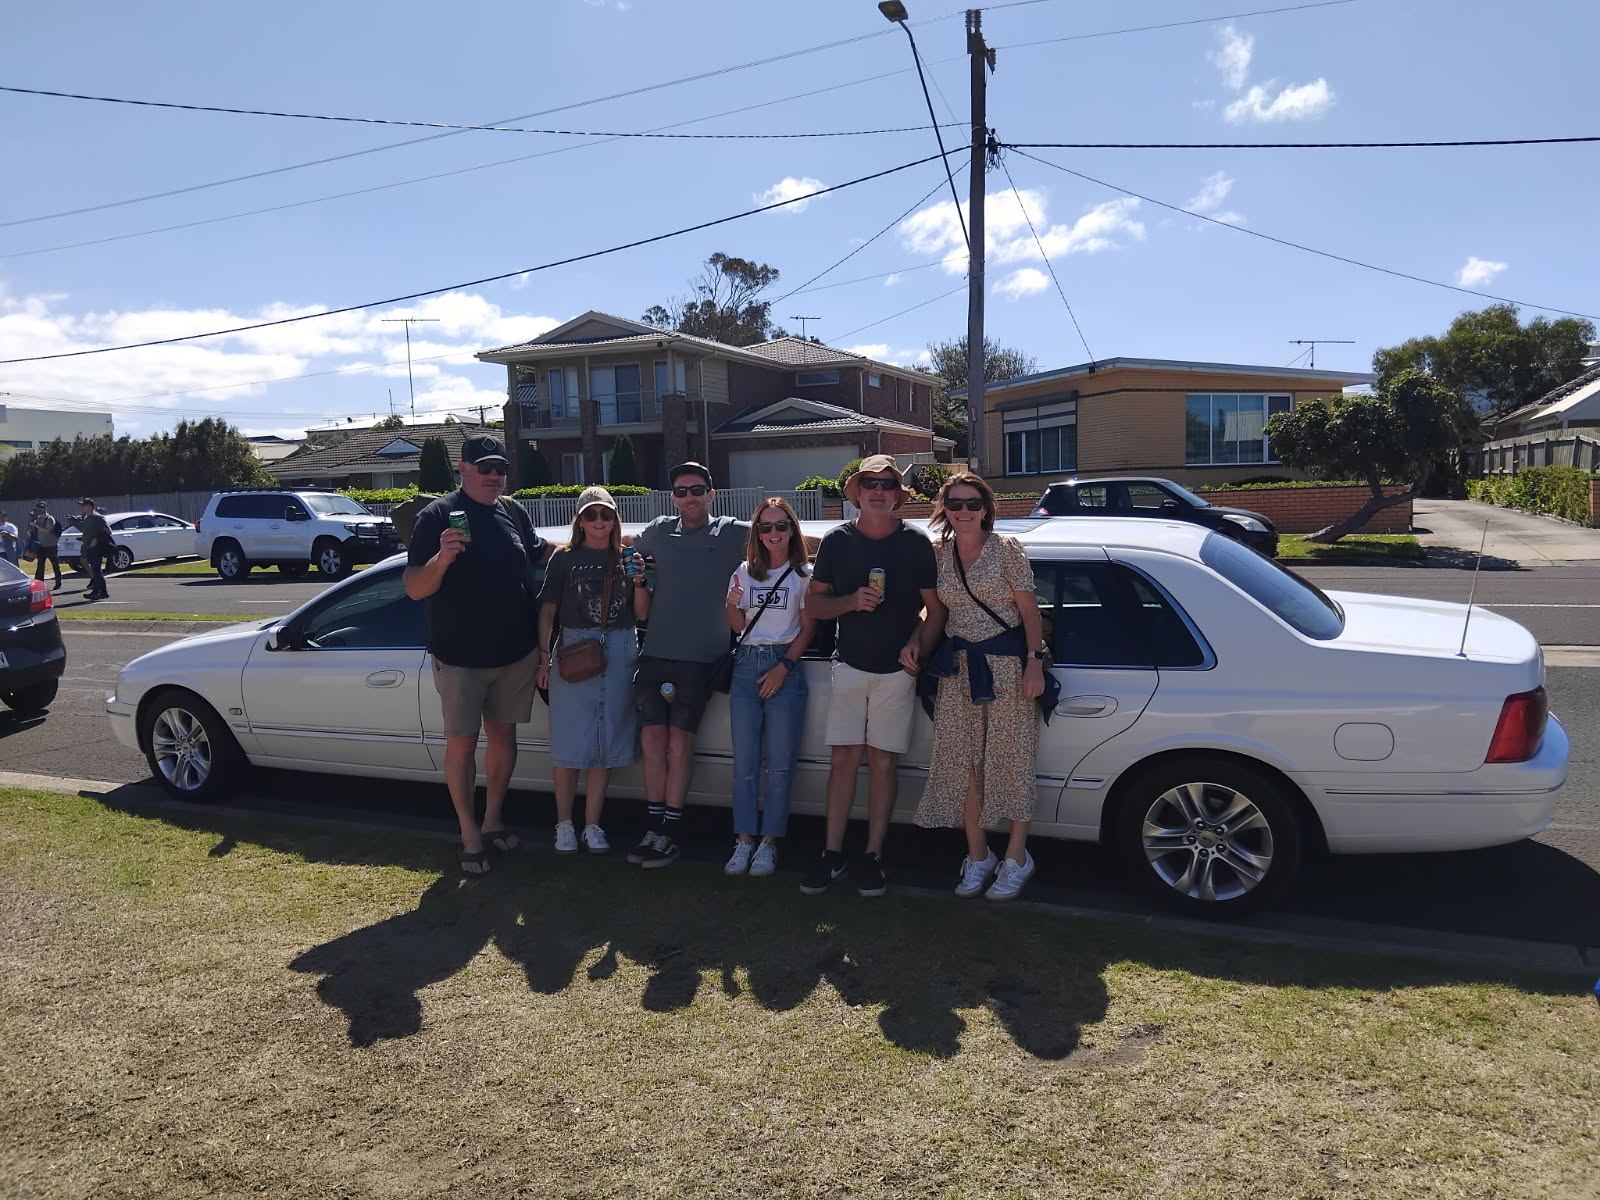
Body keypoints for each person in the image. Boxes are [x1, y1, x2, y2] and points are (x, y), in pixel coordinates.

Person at [403, 434, 550, 877]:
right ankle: (469, 834)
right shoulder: (436, 516)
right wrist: (443, 559)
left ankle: (492, 821)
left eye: (500, 469)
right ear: (462, 469)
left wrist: (607, 542)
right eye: (484, 467)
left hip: (514, 654)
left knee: (504, 738)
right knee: (462, 746)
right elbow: (414, 588)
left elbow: (543, 553)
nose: (493, 476)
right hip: (461, 658)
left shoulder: (513, 512)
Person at [801, 455, 940, 898]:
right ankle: (831, 853)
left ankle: (874, 855)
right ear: (857, 493)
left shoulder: (917, 544)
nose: (879, 491)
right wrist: (849, 603)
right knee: (843, 762)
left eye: (887, 484)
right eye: (870, 483)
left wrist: (919, 643)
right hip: (849, 665)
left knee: (883, 763)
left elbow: (935, 610)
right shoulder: (837, 542)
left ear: (898, 495)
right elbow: (813, 606)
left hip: (897, 672)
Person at [913, 472, 1047, 901]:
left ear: (986, 508)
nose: (964, 511)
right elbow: (933, 613)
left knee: (1011, 762)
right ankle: (978, 856)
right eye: (955, 504)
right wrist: (914, 643)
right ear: (945, 510)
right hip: (958, 672)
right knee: (963, 764)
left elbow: (1030, 614)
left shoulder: (1007, 550)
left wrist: (1034, 664)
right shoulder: (938, 554)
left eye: (972, 504)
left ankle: (1016, 858)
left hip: (1008, 669)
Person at [625, 462, 750, 870]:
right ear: (672, 497)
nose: (689, 497)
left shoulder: (732, 532)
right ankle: (653, 823)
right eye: (681, 491)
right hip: (655, 652)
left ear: (712, 494)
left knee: (679, 744)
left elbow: (787, 542)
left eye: (697, 490)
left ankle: (670, 832)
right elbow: (623, 548)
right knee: (651, 742)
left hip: (703, 659)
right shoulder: (658, 531)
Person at [535, 486, 649, 857]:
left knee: (607, 740)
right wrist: (543, 657)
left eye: (606, 514)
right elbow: (548, 611)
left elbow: (643, 613)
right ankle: (564, 824)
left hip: (619, 646)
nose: (599, 522)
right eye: (591, 515)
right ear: (580, 521)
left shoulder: (628, 557)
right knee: (570, 742)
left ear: (614, 519)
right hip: (575, 646)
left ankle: (593, 825)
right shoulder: (564, 558)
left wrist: (639, 580)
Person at [722, 496, 815, 878]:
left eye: (781, 526)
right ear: (756, 534)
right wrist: (731, 603)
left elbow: (809, 628)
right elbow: (737, 626)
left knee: (778, 764)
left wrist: (784, 667)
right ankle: (743, 840)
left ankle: (769, 843)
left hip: (785, 665)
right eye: (766, 527)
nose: (774, 534)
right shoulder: (744, 571)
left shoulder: (804, 575)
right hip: (746, 664)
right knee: (744, 761)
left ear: (791, 530)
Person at [77, 499, 112, 601]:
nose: (82, 508)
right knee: (97, 571)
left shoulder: (98, 518)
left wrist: (96, 538)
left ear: (89, 507)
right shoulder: (87, 517)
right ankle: (103, 592)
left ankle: (96, 592)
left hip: (96, 548)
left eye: (83, 506)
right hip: (89, 548)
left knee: (96, 571)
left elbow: (108, 531)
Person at [29, 502, 63, 590]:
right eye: (38, 508)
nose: (40, 509)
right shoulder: (37, 519)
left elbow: (48, 530)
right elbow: (34, 532)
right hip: (41, 546)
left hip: (51, 545)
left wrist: (36, 525)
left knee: (55, 564)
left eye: (42, 507)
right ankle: (39, 584)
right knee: (40, 565)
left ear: (46, 508)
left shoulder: (49, 518)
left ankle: (58, 583)